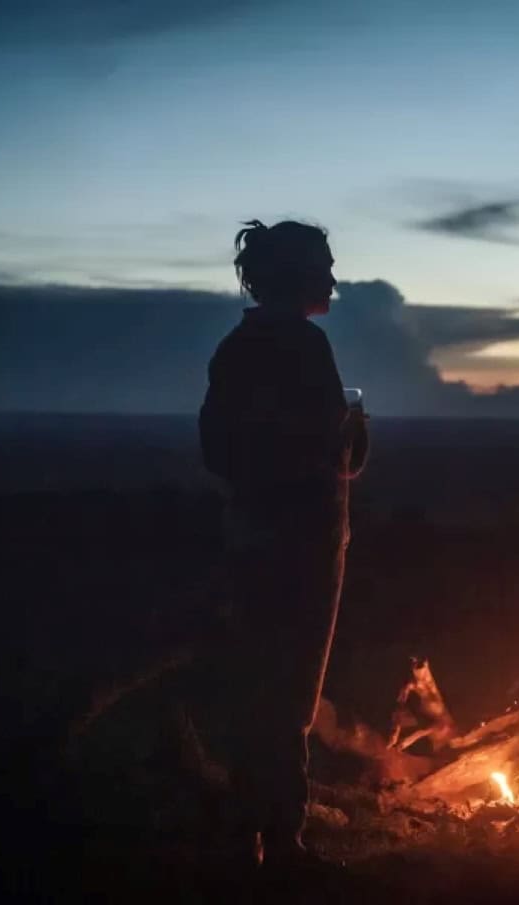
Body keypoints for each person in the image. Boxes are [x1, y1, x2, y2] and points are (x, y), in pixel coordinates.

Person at [195, 219, 368, 869]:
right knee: (290, 691)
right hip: (300, 544)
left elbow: (217, 450)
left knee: (258, 685)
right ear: (295, 274)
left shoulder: (236, 347)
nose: (333, 278)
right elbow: (333, 456)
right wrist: (350, 428)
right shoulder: (302, 346)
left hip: (251, 537)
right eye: (323, 265)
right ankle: (283, 841)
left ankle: (249, 834)